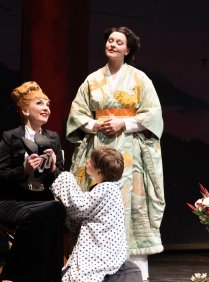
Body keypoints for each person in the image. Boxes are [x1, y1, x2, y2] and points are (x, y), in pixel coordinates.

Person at [66, 26, 165, 280]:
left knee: (130, 207)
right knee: (96, 204)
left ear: (128, 49)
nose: (112, 45)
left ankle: (134, 275)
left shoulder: (140, 79)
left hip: (129, 151)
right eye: (110, 40)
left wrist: (124, 123)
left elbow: (153, 114)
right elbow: (77, 113)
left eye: (118, 42)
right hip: (98, 147)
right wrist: (93, 124)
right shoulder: (92, 80)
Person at [0, 81, 66, 282]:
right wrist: (23, 169)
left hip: (41, 201)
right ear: (25, 110)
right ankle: (10, 276)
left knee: (57, 210)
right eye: (40, 103)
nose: (46, 109)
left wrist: (53, 169)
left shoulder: (53, 138)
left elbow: (60, 178)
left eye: (48, 105)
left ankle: (51, 277)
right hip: (11, 200)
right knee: (38, 216)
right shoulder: (10, 137)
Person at [50, 146, 143, 282]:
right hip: (105, 247)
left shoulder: (107, 189)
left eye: (91, 161)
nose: (87, 161)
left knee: (81, 275)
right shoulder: (109, 188)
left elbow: (78, 204)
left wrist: (62, 175)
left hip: (102, 249)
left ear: (99, 170)